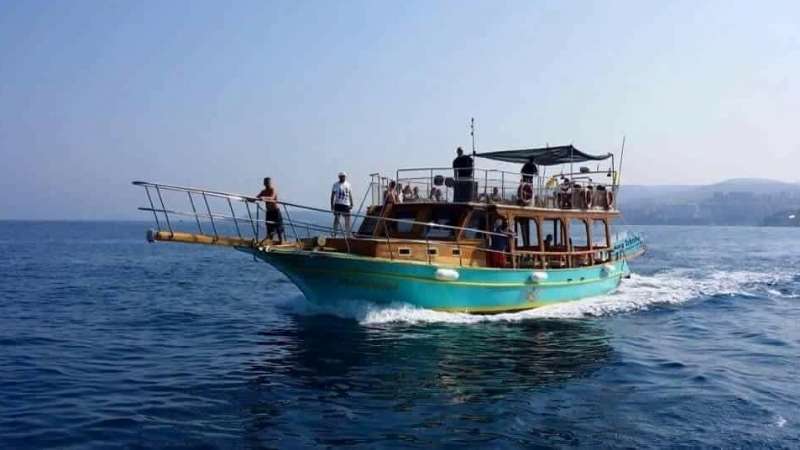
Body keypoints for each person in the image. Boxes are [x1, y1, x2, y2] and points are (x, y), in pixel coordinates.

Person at [256, 177, 284, 244]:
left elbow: (272, 197)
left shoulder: (272, 190)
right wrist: (246, 199)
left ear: (270, 183)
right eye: (265, 182)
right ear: (264, 183)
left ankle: (281, 241)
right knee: (269, 227)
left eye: (268, 182)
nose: (266, 184)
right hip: (269, 212)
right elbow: (256, 198)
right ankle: (270, 241)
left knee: (278, 226)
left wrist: (264, 198)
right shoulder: (263, 191)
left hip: (275, 211)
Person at [330, 171, 354, 237]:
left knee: (348, 220)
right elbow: (332, 195)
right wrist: (332, 206)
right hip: (338, 204)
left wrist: (352, 203)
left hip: (346, 204)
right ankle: (334, 234)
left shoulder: (348, 184)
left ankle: (348, 235)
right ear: (339, 177)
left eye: (344, 176)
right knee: (337, 219)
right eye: (341, 176)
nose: (342, 178)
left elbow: (350, 194)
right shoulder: (335, 185)